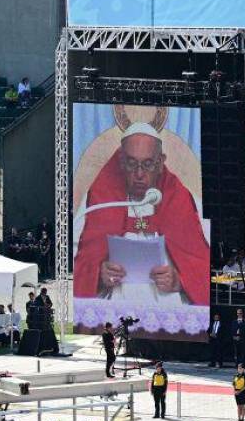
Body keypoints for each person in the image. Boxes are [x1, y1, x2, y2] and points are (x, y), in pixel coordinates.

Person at [73, 122, 210, 305]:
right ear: (121, 161)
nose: (139, 174)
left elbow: (205, 262)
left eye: (147, 164)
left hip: (168, 305)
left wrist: (179, 281)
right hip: (114, 303)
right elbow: (76, 257)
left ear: (160, 162)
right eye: (131, 164)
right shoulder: (97, 202)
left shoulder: (185, 202)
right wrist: (98, 274)